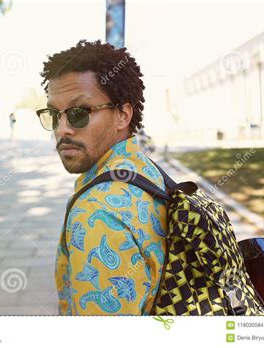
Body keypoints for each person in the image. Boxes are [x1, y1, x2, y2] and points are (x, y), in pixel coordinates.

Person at [36, 40, 167, 315]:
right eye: (53, 115)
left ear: (123, 115)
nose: (62, 130)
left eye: (78, 113)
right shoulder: (145, 169)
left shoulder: (95, 213)